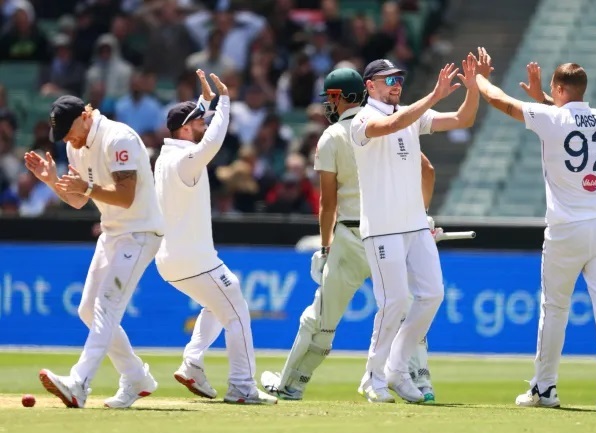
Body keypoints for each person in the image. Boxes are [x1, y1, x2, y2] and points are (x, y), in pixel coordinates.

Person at [259, 67, 440, 404]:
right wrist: (421, 218)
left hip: (353, 235)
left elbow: (328, 201)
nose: (329, 104)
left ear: (346, 96)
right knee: (402, 308)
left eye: (332, 97)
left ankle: (291, 384)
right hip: (395, 229)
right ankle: (420, 381)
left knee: (321, 318)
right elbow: (426, 170)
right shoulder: (388, 125)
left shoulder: (334, 135)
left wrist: (325, 245)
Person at [473, 47, 596, 411]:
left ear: (558, 89)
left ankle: (544, 388)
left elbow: (498, 100)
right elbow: (565, 117)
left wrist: (479, 77)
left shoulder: (551, 119)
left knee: (555, 307)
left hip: (568, 228)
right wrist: (543, 98)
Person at [349, 57, 479, 403]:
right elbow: (389, 126)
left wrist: (473, 87)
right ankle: (372, 377)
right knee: (393, 303)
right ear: (370, 86)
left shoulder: (411, 114)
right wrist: (434, 95)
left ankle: (395, 367)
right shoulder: (362, 120)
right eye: (388, 79)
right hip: (382, 228)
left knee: (433, 294)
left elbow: (463, 118)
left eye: (398, 79)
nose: (395, 84)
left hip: (415, 226)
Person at [27, 95, 164, 409]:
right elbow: (77, 200)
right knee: (87, 310)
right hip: (113, 232)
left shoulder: (119, 138)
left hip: (140, 232)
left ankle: (78, 384)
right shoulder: (76, 147)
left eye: (69, 129)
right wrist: (51, 181)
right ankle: (136, 376)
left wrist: (86, 189)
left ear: (86, 114)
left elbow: (126, 197)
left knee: (105, 308)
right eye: (61, 135)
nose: (68, 139)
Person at [153, 69, 277, 405]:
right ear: (184, 129)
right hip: (192, 258)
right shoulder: (185, 159)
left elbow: (194, 126)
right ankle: (242, 387)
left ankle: (193, 362)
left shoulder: (167, 155)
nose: (204, 124)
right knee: (236, 311)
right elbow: (212, 141)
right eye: (199, 120)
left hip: (171, 259)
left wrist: (205, 100)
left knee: (217, 304)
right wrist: (224, 103)